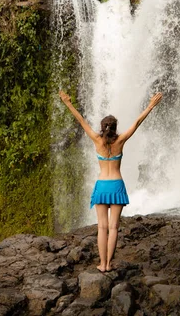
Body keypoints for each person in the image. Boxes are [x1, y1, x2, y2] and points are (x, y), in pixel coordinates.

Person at [59, 90, 163, 272]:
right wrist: (151, 105)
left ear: (102, 127)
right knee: (114, 228)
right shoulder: (120, 141)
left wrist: (67, 103)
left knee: (102, 227)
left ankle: (102, 264)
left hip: (101, 187)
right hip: (116, 186)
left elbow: (81, 120)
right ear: (115, 128)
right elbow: (137, 122)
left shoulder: (96, 140)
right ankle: (109, 264)